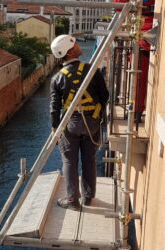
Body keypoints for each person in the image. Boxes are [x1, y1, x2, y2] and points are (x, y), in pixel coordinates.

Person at [50, 35, 109, 210]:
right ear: (70, 51)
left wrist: (55, 129)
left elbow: (54, 108)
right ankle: (88, 197)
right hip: (92, 121)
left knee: (69, 162)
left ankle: (72, 201)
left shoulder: (57, 78)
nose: (77, 44)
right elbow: (104, 96)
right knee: (89, 159)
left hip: (71, 124)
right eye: (74, 43)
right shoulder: (91, 70)